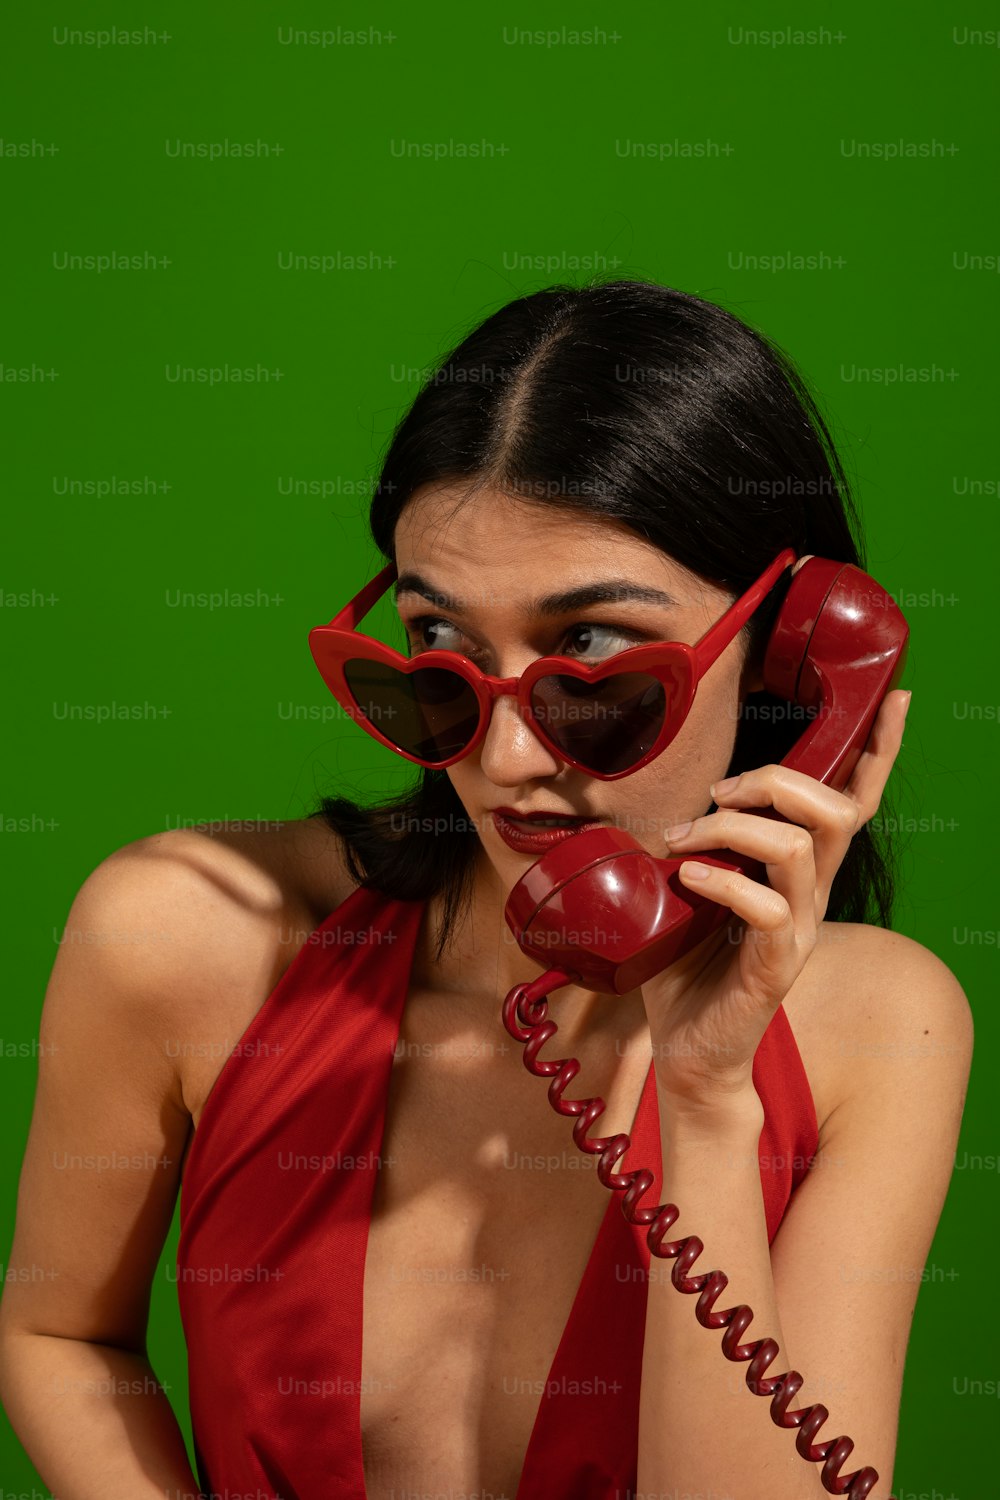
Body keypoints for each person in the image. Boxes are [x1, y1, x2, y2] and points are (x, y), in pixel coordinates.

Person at [0, 280, 972, 1500]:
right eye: (442, 662)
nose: (504, 760)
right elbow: (59, 1336)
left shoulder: (879, 1032)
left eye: (596, 669)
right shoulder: (184, 937)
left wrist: (710, 1098)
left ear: (791, 650)